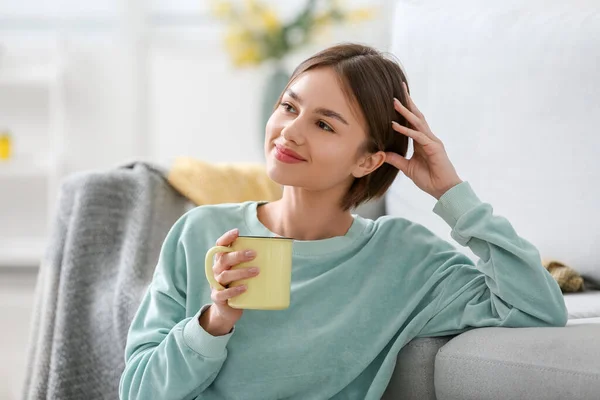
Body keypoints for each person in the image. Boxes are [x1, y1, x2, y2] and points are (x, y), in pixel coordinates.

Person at [119, 43, 567, 400]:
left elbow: (537, 307)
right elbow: (137, 390)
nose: (290, 131)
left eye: (325, 125)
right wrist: (215, 321)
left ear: (369, 159)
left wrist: (450, 193)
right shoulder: (200, 233)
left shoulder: (404, 258)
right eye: (289, 107)